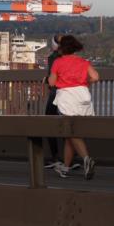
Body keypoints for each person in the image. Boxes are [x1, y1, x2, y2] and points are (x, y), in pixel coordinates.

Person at [48, 35, 100, 180]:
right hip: (83, 95)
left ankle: (86, 159)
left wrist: (50, 79)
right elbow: (95, 77)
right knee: (71, 134)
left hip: (67, 97)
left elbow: (52, 83)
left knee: (71, 132)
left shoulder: (58, 62)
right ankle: (65, 167)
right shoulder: (83, 62)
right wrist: (85, 82)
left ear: (61, 48)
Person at [42, 35, 73, 170]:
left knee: (50, 122)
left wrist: (46, 80)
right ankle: (70, 159)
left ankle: (55, 157)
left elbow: (52, 79)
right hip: (70, 93)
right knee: (68, 123)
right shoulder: (71, 57)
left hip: (56, 92)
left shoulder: (53, 58)